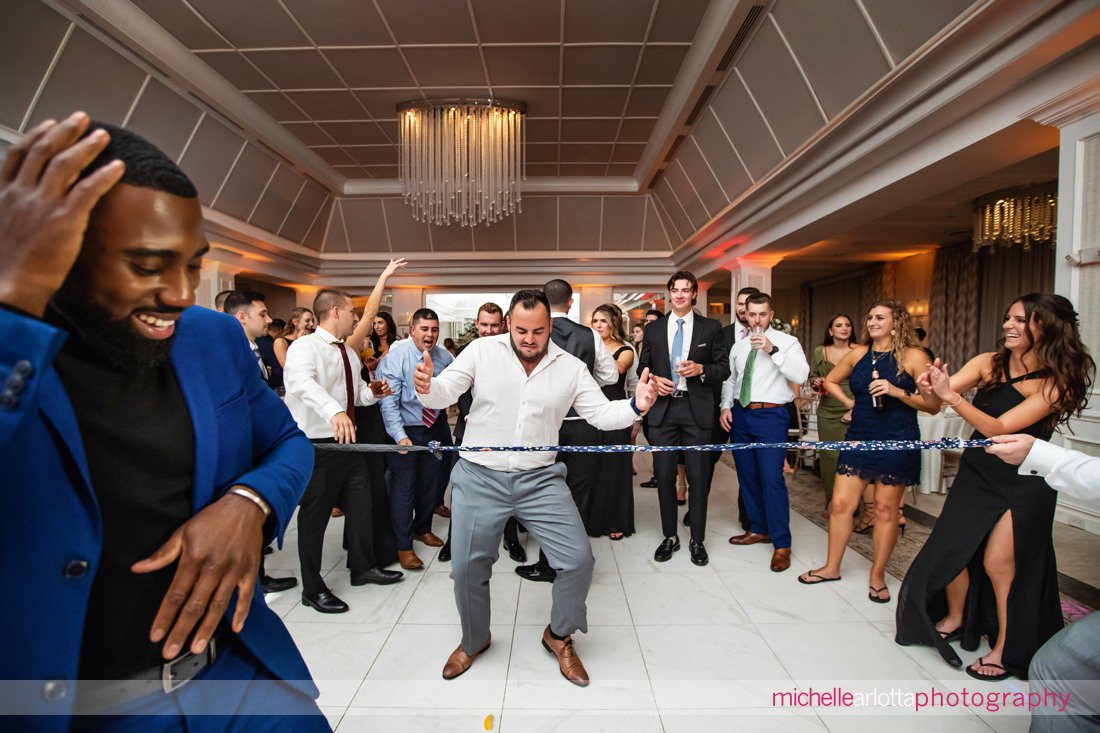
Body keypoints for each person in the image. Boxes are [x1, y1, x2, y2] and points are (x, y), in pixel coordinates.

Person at [0, 114, 327, 729]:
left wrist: (249, 502)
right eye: (148, 267)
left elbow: (286, 441)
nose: (180, 293)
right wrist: (11, 298)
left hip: (237, 679)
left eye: (192, 266)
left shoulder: (211, 337)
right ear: (60, 254)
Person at [412, 290, 657, 685]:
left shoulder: (571, 367)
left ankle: (558, 635)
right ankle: (474, 640)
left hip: (540, 478)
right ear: (509, 322)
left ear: (551, 328)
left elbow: (599, 414)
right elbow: (446, 392)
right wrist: (427, 385)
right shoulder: (481, 351)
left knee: (578, 561)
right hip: (479, 474)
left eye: (538, 331)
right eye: (521, 330)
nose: (529, 339)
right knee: (466, 569)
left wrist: (636, 405)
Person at [895, 293, 1094, 680]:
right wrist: (932, 387)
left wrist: (951, 396)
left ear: (1047, 328)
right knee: (952, 549)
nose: (1008, 325)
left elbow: (1000, 428)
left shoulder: (1057, 382)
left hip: (1025, 479)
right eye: (1008, 317)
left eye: (1020, 320)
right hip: (979, 473)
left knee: (998, 564)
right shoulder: (989, 362)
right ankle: (956, 616)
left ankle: (1006, 648)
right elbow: (935, 403)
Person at [798, 300, 937, 596]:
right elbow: (831, 382)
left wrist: (897, 391)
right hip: (859, 435)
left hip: (897, 438)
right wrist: (851, 403)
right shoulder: (859, 353)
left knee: (886, 511)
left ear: (896, 322)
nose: (872, 322)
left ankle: (877, 576)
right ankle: (831, 567)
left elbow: (933, 405)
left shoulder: (914, 356)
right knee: (840, 505)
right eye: (870, 317)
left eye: (879, 317)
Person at [284, 289, 402, 615]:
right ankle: (312, 587)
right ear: (335, 311)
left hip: (349, 443)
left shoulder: (348, 354)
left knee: (363, 504)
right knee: (314, 517)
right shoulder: (304, 348)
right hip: (317, 445)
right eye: (352, 311)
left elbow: (357, 395)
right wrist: (334, 411)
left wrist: (373, 393)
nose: (357, 318)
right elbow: (301, 384)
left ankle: (363, 568)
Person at [987, 434, 1100, 732]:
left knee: (1060, 668)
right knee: (1059, 666)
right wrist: (1039, 454)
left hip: (1024, 483)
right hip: (998, 468)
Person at [515, 279, 618, 583]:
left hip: (543, 426)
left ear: (543, 303)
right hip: (582, 427)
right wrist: (580, 391)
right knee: (577, 495)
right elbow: (610, 375)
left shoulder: (531, 334)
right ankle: (571, 564)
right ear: (571, 303)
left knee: (544, 494)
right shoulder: (589, 335)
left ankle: (548, 563)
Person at [639, 271, 730, 567]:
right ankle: (670, 536)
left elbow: (723, 369)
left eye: (685, 290)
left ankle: (697, 540)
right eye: (674, 290)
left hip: (697, 410)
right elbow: (643, 367)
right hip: (664, 411)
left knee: (698, 477)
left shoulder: (711, 328)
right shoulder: (654, 330)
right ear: (669, 293)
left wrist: (701, 368)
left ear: (694, 293)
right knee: (664, 476)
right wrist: (655, 380)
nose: (679, 295)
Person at [720, 292, 809, 572]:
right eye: (752, 314)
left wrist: (772, 350)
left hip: (771, 415)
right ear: (745, 314)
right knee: (747, 477)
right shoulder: (738, 346)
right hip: (742, 415)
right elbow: (731, 380)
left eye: (762, 314)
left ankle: (782, 543)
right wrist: (725, 406)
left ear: (771, 315)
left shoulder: (787, 342)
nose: (756, 319)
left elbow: (801, 375)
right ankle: (758, 528)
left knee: (772, 479)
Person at [439, 302, 525, 564]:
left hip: (506, 433)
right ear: (476, 325)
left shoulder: (516, 353)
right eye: (484, 325)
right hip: (469, 430)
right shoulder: (467, 351)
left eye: (494, 325)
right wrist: (469, 414)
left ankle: (511, 539)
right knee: (461, 486)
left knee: (510, 485)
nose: (489, 330)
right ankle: (454, 539)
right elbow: (461, 390)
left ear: (504, 325)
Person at [225, 291, 298, 595]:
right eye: (263, 314)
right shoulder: (230, 354)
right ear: (242, 317)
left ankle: (258, 576)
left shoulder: (253, 350)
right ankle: (252, 579)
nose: (269, 320)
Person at [377, 307, 454, 570]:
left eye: (434, 329)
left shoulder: (445, 357)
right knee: (404, 488)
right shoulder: (395, 358)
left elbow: (453, 390)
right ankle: (403, 545)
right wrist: (399, 437)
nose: (430, 334)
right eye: (424, 329)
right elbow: (388, 404)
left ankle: (423, 528)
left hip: (435, 427)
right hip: (406, 429)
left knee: (430, 484)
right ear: (412, 330)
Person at [587, 303, 636, 540]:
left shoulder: (625, 350)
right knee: (591, 467)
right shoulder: (587, 347)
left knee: (614, 467)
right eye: (595, 321)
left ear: (613, 324)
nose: (597, 325)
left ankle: (616, 520)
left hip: (615, 411)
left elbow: (613, 374)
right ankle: (592, 519)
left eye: (603, 321)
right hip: (590, 411)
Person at [809, 313, 856, 515]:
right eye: (839, 325)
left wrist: (855, 408)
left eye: (847, 325)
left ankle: (852, 506)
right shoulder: (820, 352)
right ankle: (831, 501)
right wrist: (817, 382)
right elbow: (812, 378)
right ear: (831, 330)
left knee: (853, 457)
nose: (844, 328)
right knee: (829, 457)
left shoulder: (860, 351)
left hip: (855, 407)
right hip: (828, 410)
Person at [638, 307, 664, 490]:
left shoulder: (661, 341)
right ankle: (658, 473)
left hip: (660, 397)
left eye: (652, 321)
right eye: (646, 321)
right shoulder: (641, 343)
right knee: (649, 435)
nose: (648, 324)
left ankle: (661, 476)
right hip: (643, 396)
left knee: (659, 439)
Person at [257, 318, 285, 394]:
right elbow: (278, 370)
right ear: (280, 331)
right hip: (270, 387)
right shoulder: (270, 344)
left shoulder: (258, 340)